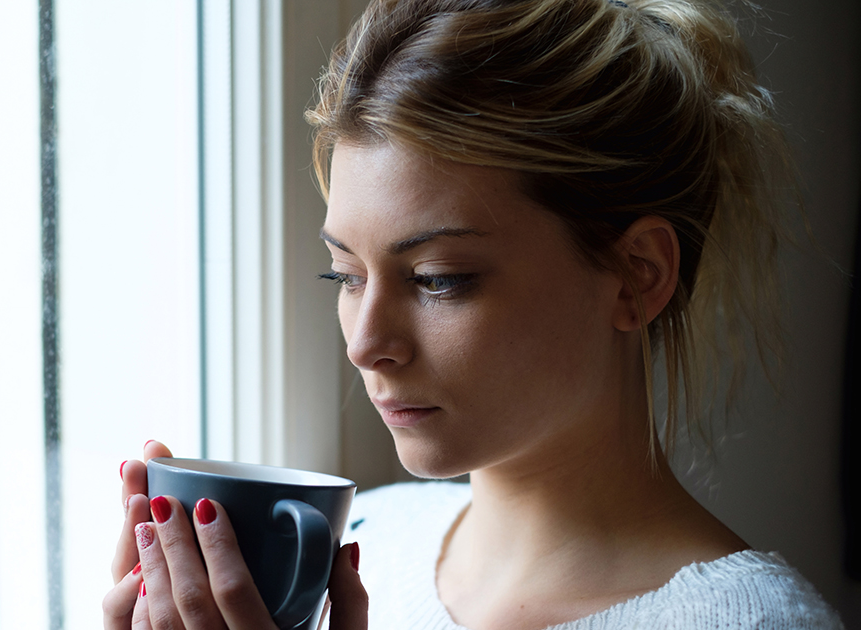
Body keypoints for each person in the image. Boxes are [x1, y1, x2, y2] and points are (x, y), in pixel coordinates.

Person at [103, 0, 845, 627]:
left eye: (439, 279)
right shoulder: (350, 552)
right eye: (346, 275)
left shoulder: (753, 621)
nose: (365, 344)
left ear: (636, 275)